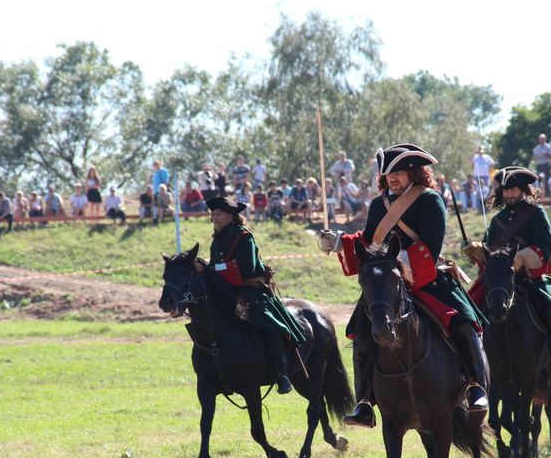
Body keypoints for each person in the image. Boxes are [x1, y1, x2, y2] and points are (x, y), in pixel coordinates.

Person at [318, 143, 490, 429]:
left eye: (398, 172)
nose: (392, 178)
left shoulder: (429, 200)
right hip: (387, 285)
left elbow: (430, 248)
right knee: (360, 331)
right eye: (387, 173)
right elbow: (371, 242)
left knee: (464, 323)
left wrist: (395, 262)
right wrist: (340, 242)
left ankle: (475, 388)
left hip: (427, 278)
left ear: (413, 172)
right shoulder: (378, 205)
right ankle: (364, 403)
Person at [464, 166, 551, 386]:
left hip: (531, 277)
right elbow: (490, 252)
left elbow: (545, 248)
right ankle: (470, 367)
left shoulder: (536, 214)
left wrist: (520, 258)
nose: (509, 194)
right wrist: (477, 250)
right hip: (502, 280)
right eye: (506, 190)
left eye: (514, 190)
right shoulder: (497, 220)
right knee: (470, 306)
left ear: (523, 190)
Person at [206, 195, 306, 393]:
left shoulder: (244, 236)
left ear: (231, 216)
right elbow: (215, 268)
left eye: (219, 213)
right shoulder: (216, 241)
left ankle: (281, 373)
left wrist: (213, 269)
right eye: (213, 214)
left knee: (268, 325)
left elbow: (245, 267)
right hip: (227, 292)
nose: (214, 217)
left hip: (251, 292)